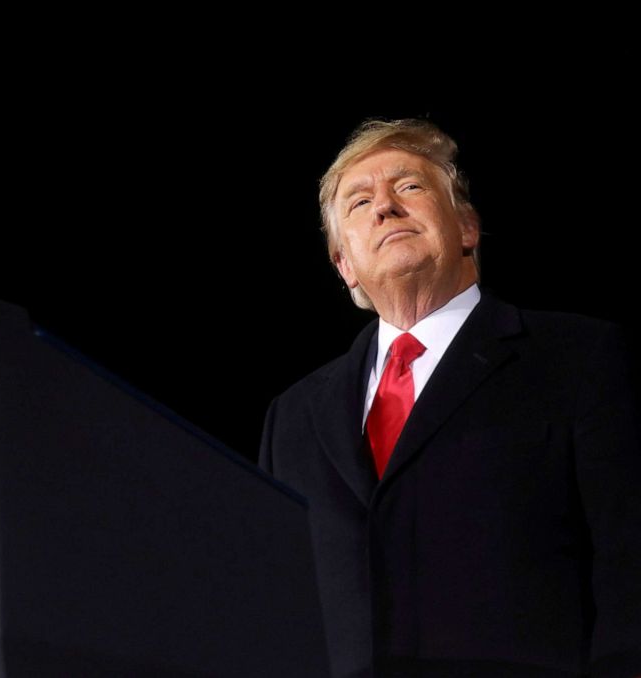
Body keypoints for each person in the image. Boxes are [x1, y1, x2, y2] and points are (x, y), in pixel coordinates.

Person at [259, 118, 641, 678]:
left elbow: (629, 566)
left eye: (408, 186)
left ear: (466, 226)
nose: (384, 207)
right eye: (358, 201)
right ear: (345, 267)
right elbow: (271, 609)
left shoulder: (579, 358)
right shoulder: (290, 417)